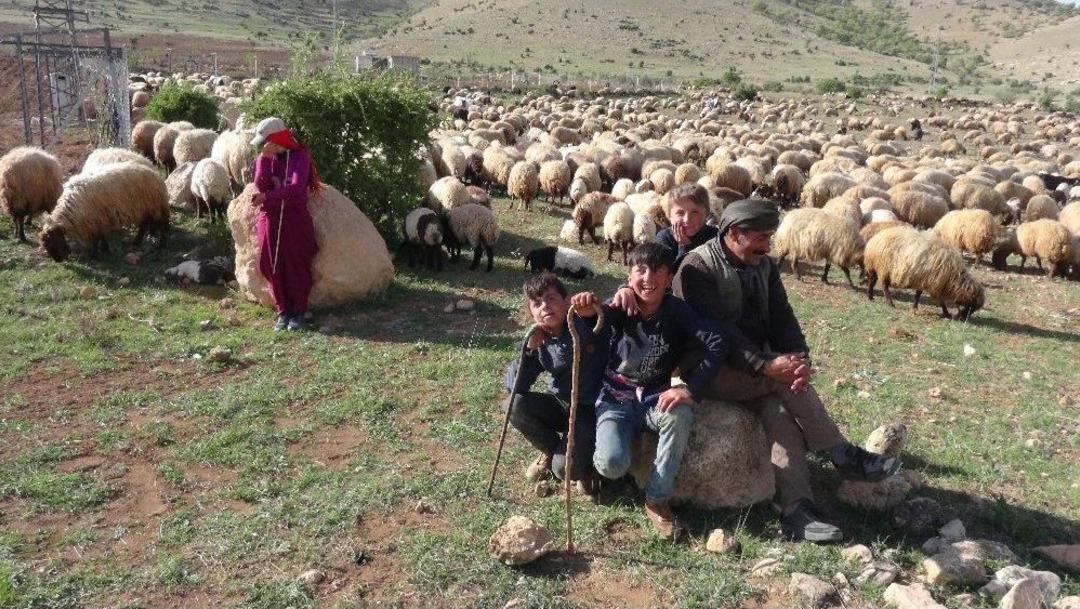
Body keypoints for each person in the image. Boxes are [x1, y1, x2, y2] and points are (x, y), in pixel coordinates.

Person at [671, 198, 900, 543]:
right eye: (760, 238)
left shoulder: (763, 265)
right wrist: (768, 366)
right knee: (781, 386)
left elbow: (782, 317)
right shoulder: (697, 268)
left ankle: (797, 510)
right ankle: (840, 452)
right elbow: (719, 334)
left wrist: (798, 358)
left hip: (754, 372)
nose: (768, 246)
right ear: (734, 233)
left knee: (779, 413)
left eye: (769, 237)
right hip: (708, 370)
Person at [570, 243, 727, 540]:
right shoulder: (620, 306)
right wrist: (587, 308)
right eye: (640, 270)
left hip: (655, 397)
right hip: (615, 399)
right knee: (612, 466)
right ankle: (598, 463)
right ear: (629, 275)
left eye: (657, 272)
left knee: (680, 414)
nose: (648, 279)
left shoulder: (677, 312)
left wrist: (692, 390)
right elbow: (594, 318)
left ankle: (657, 499)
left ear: (669, 279)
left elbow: (717, 342)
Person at [505, 273, 611, 494]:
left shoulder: (586, 321)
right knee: (512, 405)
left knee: (564, 471)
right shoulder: (539, 337)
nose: (545, 306)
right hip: (560, 403)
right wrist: (528, 350)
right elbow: (515, 386)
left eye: (551, 298)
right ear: (531, 313)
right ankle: (553, 449)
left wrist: (592, 305)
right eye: (536, 304)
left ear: (566, 301)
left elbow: (609, 312)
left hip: (589, 409)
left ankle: (582, 462)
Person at [250, 117, 322, 331]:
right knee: (269, 262)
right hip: (270, 217)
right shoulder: (267, 157)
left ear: (276, 138)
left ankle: (299, 311)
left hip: (294, 218)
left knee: (296, 264)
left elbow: (296, 187)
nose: (264, 146)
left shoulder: (300, 156)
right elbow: (260, 184)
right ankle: (283, 310)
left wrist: (267, 197)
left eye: (266, 142)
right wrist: (263, 159)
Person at [654, 183, 719, 272]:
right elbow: (668, 275)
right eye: (680, 213)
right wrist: (684, 247)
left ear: (706, 214)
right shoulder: (665, 238)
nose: (687, 219)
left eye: (695, 212)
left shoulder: (715, 237)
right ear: (669, 215)